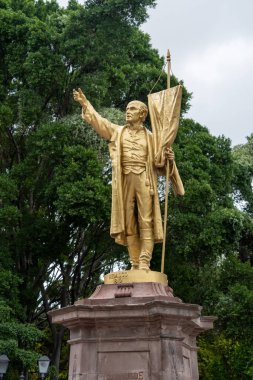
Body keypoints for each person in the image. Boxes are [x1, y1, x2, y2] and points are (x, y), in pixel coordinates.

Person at [73, 88, 179, 270]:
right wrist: (85, 103)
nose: (127, 112)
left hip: (145, 180)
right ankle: (134, 262)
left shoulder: (152, 138)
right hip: (124, 181)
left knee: (146, 220)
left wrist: (169, 158)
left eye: (132, 109)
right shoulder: (118, 131)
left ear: (142, 114)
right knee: (128, 221)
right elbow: (99, 122)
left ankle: (145, 261)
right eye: (127, 109)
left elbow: (160, 163)